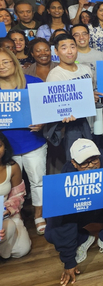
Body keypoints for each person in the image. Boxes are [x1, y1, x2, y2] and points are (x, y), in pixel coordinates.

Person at [45, 139, 103, 286]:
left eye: (94, 159)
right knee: (52, 231)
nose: (91, 165)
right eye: (85, 162)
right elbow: (64, 219)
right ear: (74, 164)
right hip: (81, 212)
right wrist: (69, 261)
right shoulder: (66, 175)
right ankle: (83, 238)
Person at [0, 47, 47, 234]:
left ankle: (39, 215)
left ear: (14, 62)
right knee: (9, 185)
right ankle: (13, 215)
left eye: (5, 62)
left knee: (37, 181)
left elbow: (47, 110)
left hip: (32, 141)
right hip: (6, 147)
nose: (2, 66)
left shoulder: (35, 83)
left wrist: (43, 122)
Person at [45, 34, 99, 160]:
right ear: (56, 51)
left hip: (91, 122)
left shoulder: (86, 69)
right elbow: (53, 107)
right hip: (71, 127)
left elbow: (90, 92)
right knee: (76, 162)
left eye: (72, 47)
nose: (69, 51)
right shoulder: (55, 76)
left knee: (93, 159)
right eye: (64, 48)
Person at [0, 132, 31, 259]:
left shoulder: (12, 167)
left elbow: (18, 195)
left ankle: (3, 250)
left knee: (22, 249)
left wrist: (8, 210)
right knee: (9, 230)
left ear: (5, 147)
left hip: (6, 213)